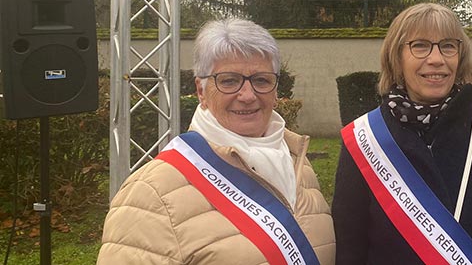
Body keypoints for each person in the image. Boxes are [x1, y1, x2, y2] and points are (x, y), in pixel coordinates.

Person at [98, 18, 336, 265]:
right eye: (229, 80)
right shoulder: (151, 192)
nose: (247, 95)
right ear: (201, 91)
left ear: (276, 90)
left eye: (261, 80)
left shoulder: (299, 164)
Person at [332, 3, 472, 265]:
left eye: (448, 46)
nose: (437, 58)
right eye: (420, 45)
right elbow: (350, 250)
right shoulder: (364, 139)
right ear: (397, 57)